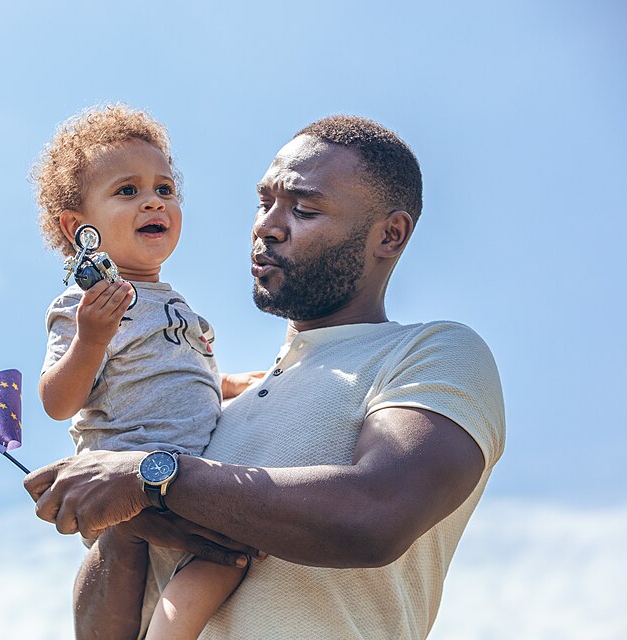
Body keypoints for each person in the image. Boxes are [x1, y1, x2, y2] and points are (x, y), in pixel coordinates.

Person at [25, 115, 507, 639]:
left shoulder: (430, 352)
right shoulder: (206, 418)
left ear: (390, 235)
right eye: (264, 203)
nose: (267, 226)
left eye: (303, 208)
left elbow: (376, 515)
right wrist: (130, 522)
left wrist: (153, 477)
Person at [32, 104, 264, 640]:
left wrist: (230, 384)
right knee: (161, 562)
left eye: (164, 188)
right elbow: (58, 401)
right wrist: (92, 338)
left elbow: (185, 371)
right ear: (78, 228)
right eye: (128, 191)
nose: (153, 200)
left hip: (185, 476)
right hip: (126, 478)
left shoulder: (177, 304)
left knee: (222, 559)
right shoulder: (87, 302)